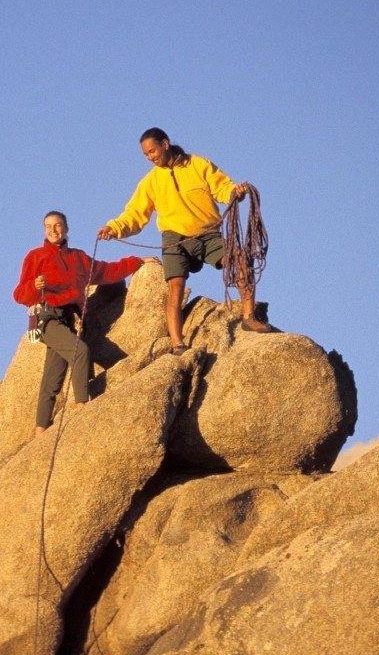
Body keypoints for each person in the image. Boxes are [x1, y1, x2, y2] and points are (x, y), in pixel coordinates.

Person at [97, 127, 275, 354]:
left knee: (240, 259)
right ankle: (177, 343)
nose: (150, 157)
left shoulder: (199, 165)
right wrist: (114, 228)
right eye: (146, 154)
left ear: (165, 143)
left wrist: (234, 192)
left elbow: (222, 187)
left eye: (152, 151)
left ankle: (249, 317)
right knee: (175, 286)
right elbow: (135, 214)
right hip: (175, 239)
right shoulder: (150, 182)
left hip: (208, 234)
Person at [14, 211, 158, 435]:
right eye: (48, 226)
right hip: (46, 318)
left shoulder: (79, 258)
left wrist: (137, 261)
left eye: (58, 225)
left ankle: (40, 430)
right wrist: (35, 285)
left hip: (68, 320)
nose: (53, 230)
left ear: (66, 228)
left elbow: (107, 271)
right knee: (80, 351)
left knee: (53, 376)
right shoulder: (36, 256)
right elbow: (19, 295)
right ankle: (82, 406)